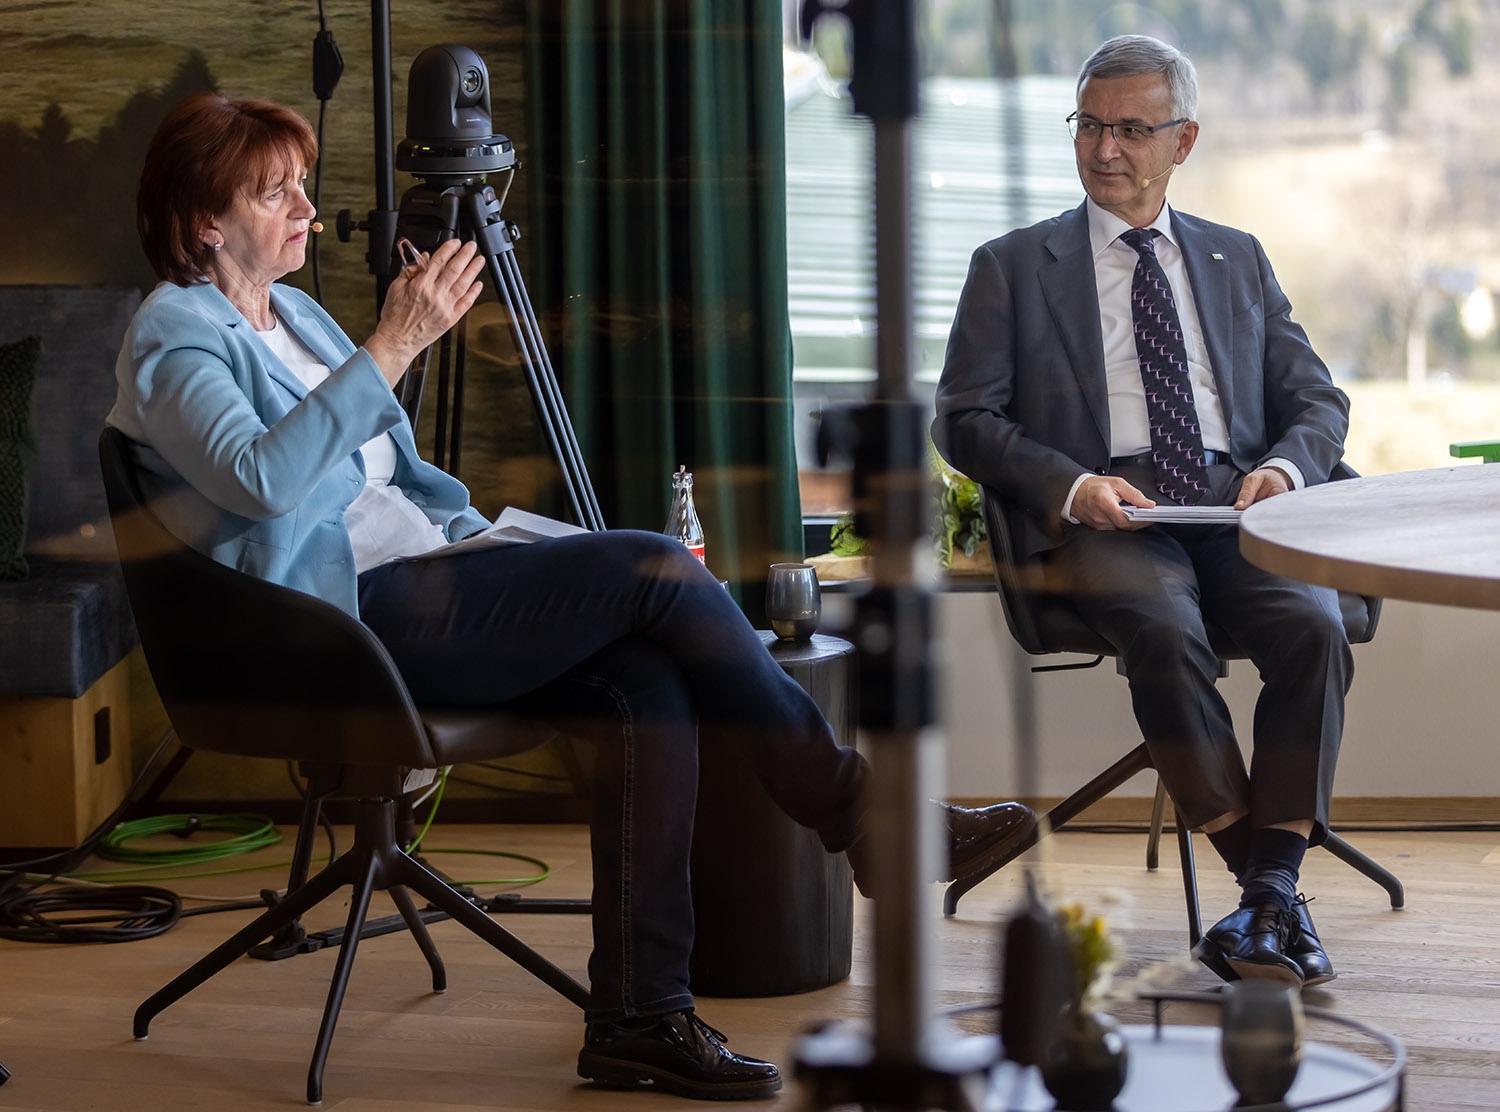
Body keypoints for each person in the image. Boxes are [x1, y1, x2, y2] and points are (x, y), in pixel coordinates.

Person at [107, 91, 1037, 1101]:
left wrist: (467, 516)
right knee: (659, 568)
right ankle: (867, 818)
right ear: (205, 221)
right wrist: (393, 346)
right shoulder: (174, 337)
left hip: (424, 574)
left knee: (647, 683)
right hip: (335, 627)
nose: (307, 209)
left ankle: (640, 1015)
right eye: (273, 192)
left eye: (301, 185)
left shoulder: (292, 313)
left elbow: (381, 476)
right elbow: (261, 481)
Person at [932, 35, 1353, 990]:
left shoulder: (1237, 257)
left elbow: (1317, 401)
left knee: (1313, 627)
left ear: (1183, 141)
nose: (1104, 148)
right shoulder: (1011, 265)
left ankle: (1265, 901)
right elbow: (962, 419)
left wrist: (1285, 469)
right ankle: (1271, 892)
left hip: (1233, 500)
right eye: (1089, 125)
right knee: (1163, 631)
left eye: (1130, 129)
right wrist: (1072, 485)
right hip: (1106, 509)